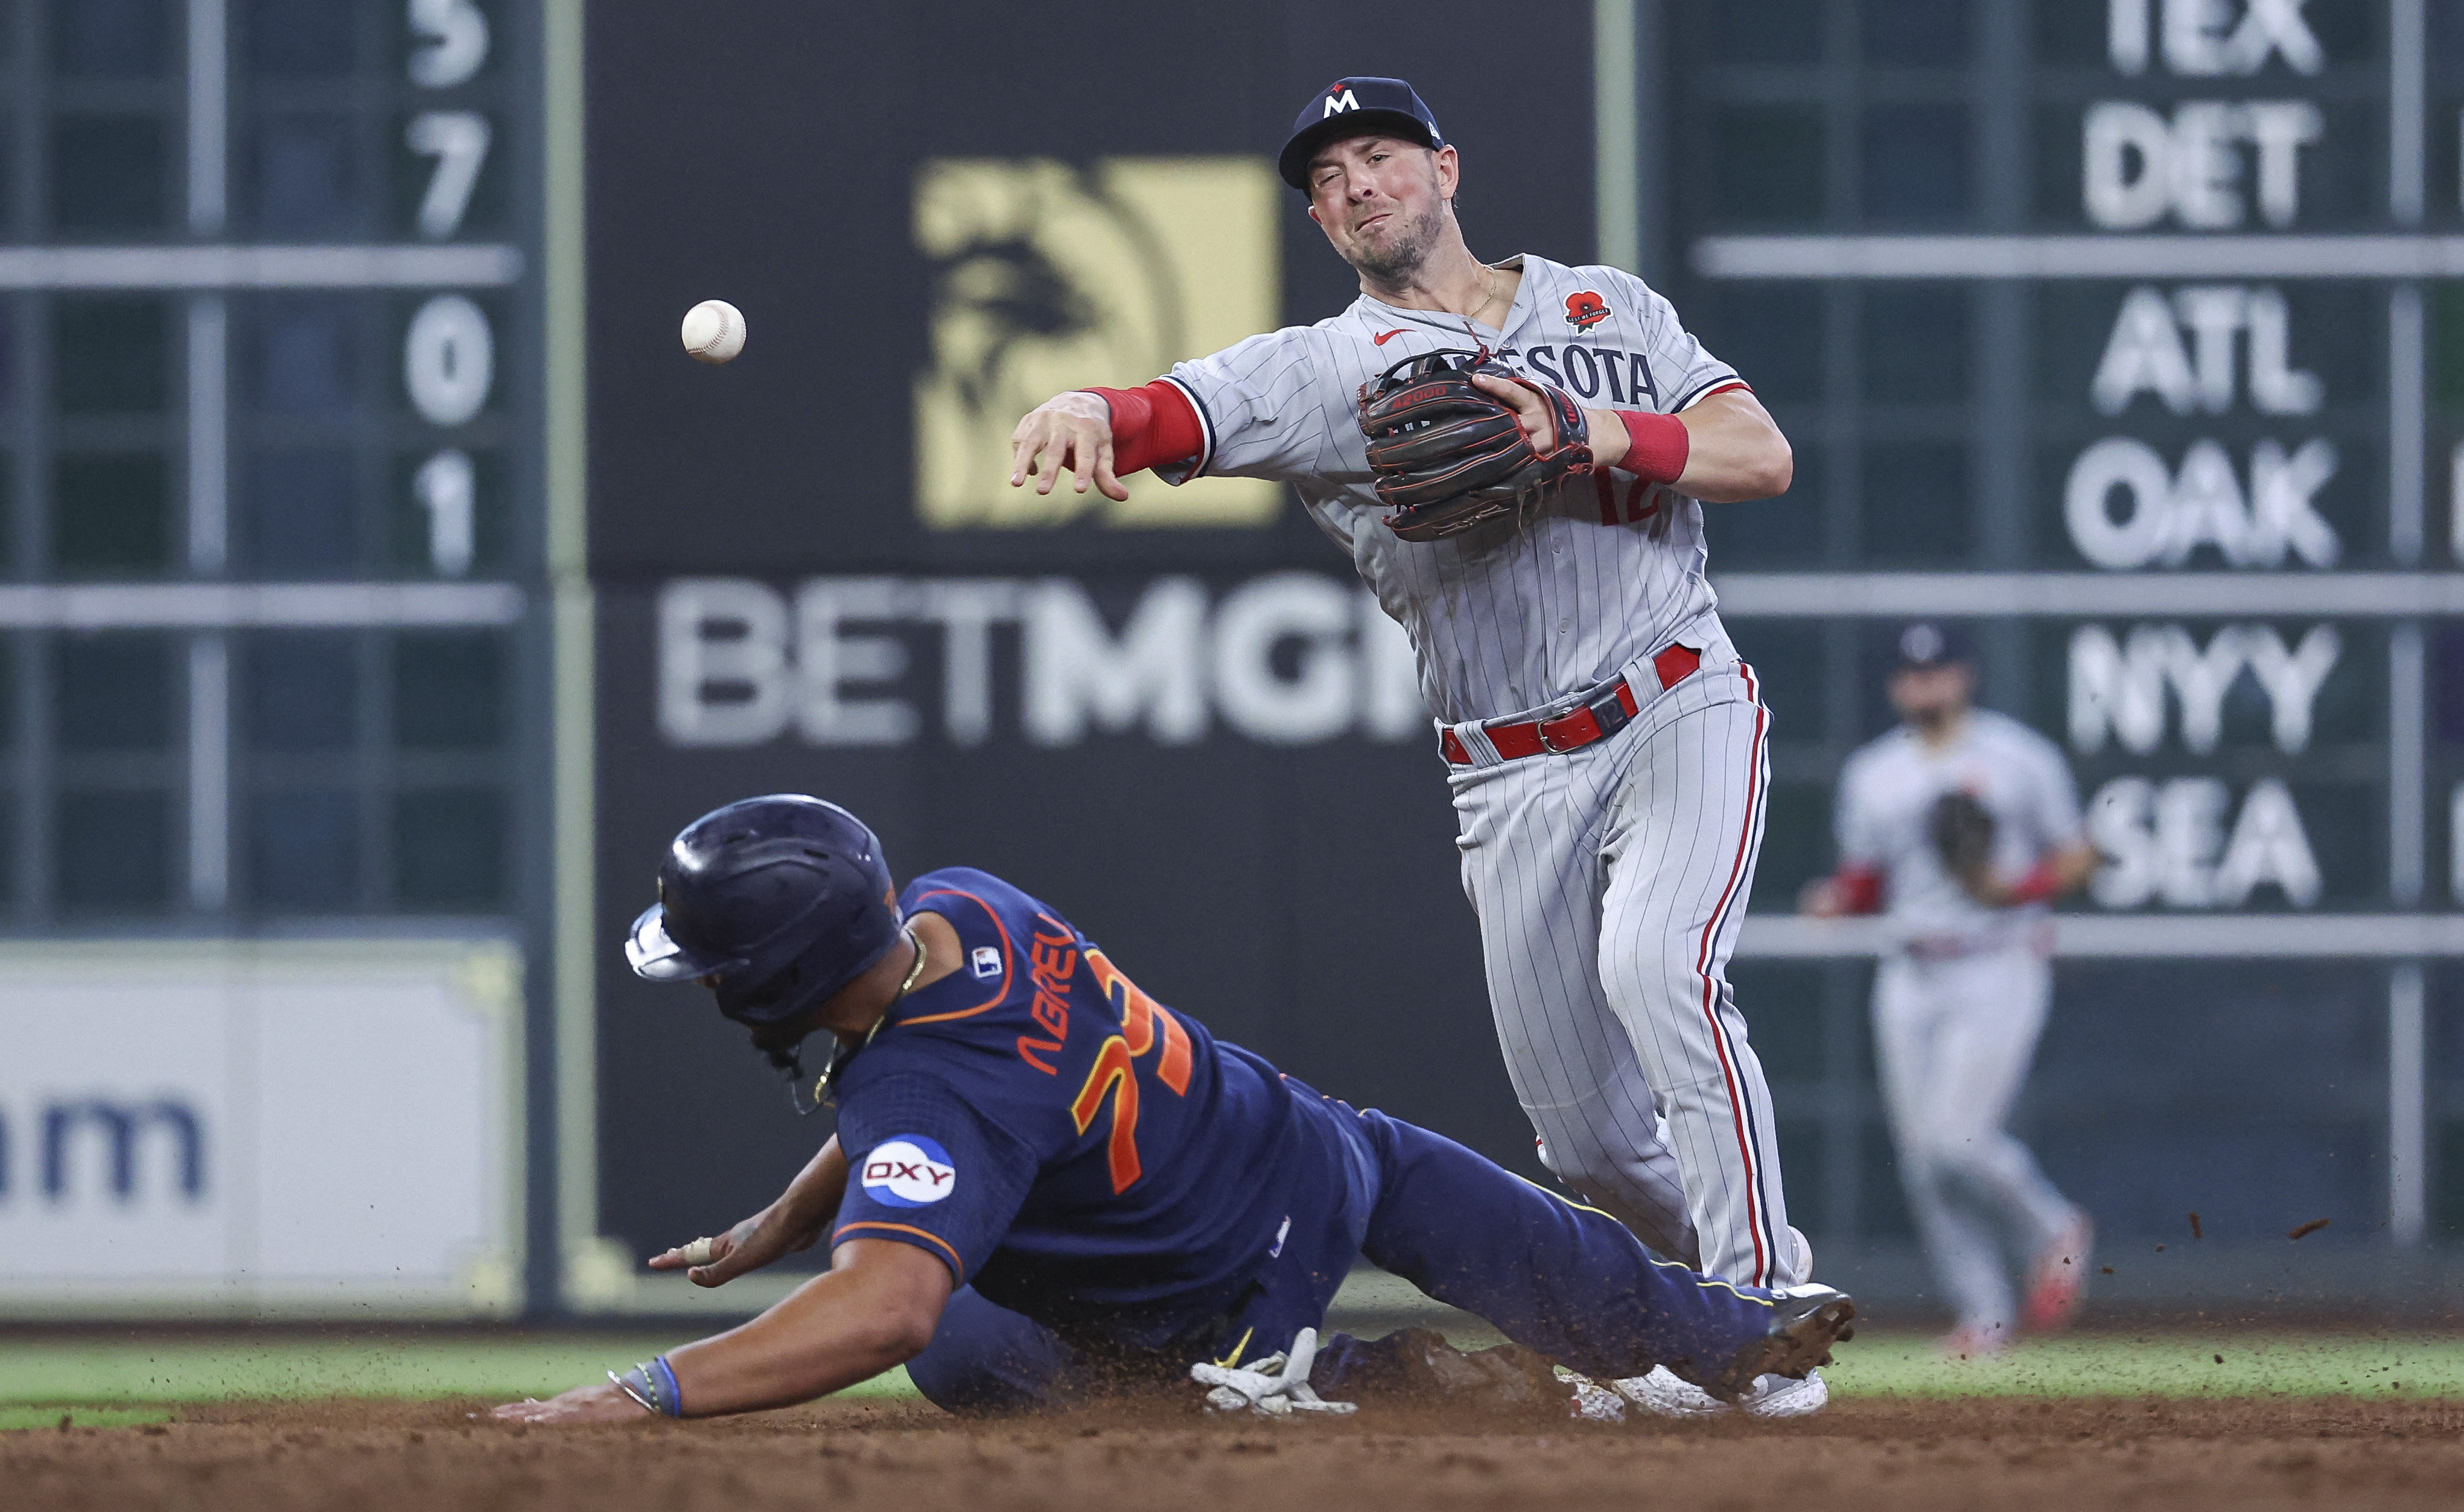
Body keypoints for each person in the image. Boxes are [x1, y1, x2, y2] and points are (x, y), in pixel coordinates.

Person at [1006, 75, 1813, 1418]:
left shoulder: (1607, 307)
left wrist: (1588, 429)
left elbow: (1759, 452)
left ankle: (1761, 1314)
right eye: (1325, 181)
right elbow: (1177, 409)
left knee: (1656, 962)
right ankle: (1684, 1321)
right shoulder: (1328, 371)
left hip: (1679, 697)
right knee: (1586, 1134)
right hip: (1508, 766)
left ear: (1443, 166)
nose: (1353, 188)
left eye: (1375, 156)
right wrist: (1097, 406)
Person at [491, 795, 1854, 1425]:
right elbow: (914, 1106)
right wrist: (787, 1214)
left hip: (1201, 1294)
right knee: (1512, 1232)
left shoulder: (928, 1092)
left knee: (957, 1349)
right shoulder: (960, 904)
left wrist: (643, 1391)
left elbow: (886, 1298)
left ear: (770, 983)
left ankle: (1331, 1377)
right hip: (1314, 1149)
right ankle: (1728, 1336)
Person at [1801, 624, 2099, 1358]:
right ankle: (1985, 1317)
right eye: (1912, 675)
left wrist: (2015, 887)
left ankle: (2052, 1227)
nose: (1925, 687)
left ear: (1963, 677)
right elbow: (1870, 876)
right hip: (1911, 968)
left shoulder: (2017, 758)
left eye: (1937, 673)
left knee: (1955, 1139)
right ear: (1897, 686)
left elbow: (2079, 857)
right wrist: (1841, 898)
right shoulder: (1875, 772)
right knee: (1922, 1159)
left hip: (1996, 962)